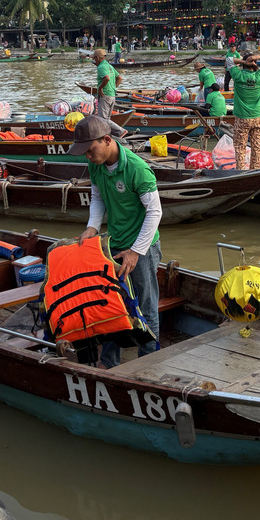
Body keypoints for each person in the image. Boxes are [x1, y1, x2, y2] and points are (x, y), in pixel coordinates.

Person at [70, 116, 162, 368]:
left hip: (142, 248)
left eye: (91, 150)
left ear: (107, 140)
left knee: (145, 306)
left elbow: (155, 212)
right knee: (111, 302)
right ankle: (109, 363)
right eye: (85, 153)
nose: (88, 156)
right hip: (115, 243)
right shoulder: (96, 164)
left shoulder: (136, 168)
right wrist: (92, 227)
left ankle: (148, 363)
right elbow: (97, 196)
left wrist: (135, 251)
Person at [229, 50, 260, 170]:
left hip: (242, 118)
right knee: (256, 146)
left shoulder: (238, 75)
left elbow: (229, 60)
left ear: (243, 64)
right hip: (258, 117)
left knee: (240, 146)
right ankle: (255, 169)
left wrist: (245, 61)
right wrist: (256, 58)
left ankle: (241, 171)